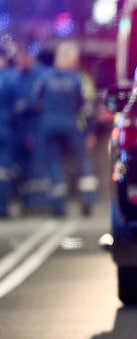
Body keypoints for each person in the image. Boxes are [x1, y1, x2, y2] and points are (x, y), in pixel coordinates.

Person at [38, 40, 98, 217]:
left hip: (49, 127)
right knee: (83, 161)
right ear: (72, 59)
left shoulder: (44, 77)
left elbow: (37, 102)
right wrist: (90, 131)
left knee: (54, 164)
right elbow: (86, 107)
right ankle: (88, 199)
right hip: (71, 126)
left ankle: (58, 206)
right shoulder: (78, 79)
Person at [13, 40, 49, 213]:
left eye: (21, 56)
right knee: (24, 168)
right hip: (21, 128)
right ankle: (28, 202)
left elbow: (42, 103)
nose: (18, 61)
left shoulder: (41, 75)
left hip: (37, 127)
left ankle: (39, 203)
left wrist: (26, 105)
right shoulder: (19, 76)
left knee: (38, 165)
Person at [0, 46, 17, 218]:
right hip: (5, 129)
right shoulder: (10, 78)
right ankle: (2, 207)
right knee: (3, 171)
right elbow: (16, 106)